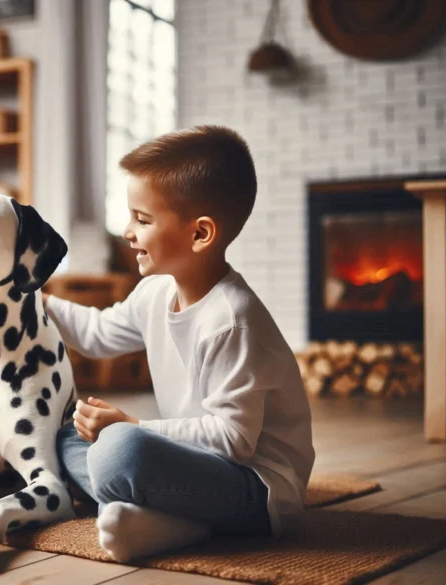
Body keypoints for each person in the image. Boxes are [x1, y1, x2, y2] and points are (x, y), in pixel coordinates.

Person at [45, 126, 315, 562]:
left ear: (200, 234)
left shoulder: (232, 321)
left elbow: (233, 440)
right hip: (191, 466)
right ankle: (164, 523)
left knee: (120, 451)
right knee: (62, 438)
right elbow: (96, 334)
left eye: (143, 220)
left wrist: (130, 427)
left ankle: (165, 520)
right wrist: (36, 298)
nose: (128, 232)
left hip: (254, 489)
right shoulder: (155, 292)